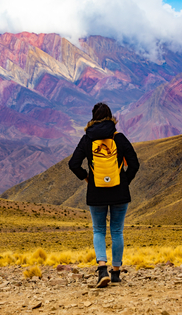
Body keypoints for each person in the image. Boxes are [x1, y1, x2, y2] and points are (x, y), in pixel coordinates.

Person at [69, 102, 139, 287]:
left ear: (93, 117)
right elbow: (134, 164)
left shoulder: (87, 139)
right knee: (117, 231)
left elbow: (73, 164)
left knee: (99, 230)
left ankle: (102, 269)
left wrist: (87, 178)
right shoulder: (119, 138)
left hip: (96, 192)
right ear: (111, 117)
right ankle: (115, 273)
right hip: (119, 192)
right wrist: (124, 181)